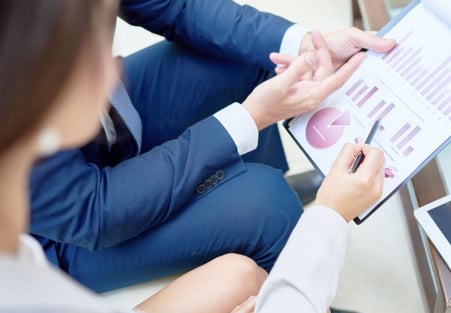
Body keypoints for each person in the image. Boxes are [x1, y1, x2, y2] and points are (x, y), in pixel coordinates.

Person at [0, 1, 384, 313]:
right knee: (266, 204)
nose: (113, 56)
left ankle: (235, 195)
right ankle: (290, 285)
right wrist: (249, 117)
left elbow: (177, 5)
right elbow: (93, 210)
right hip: (62, 230)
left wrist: (303, 43)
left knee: (255, 57)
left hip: (82, 134)